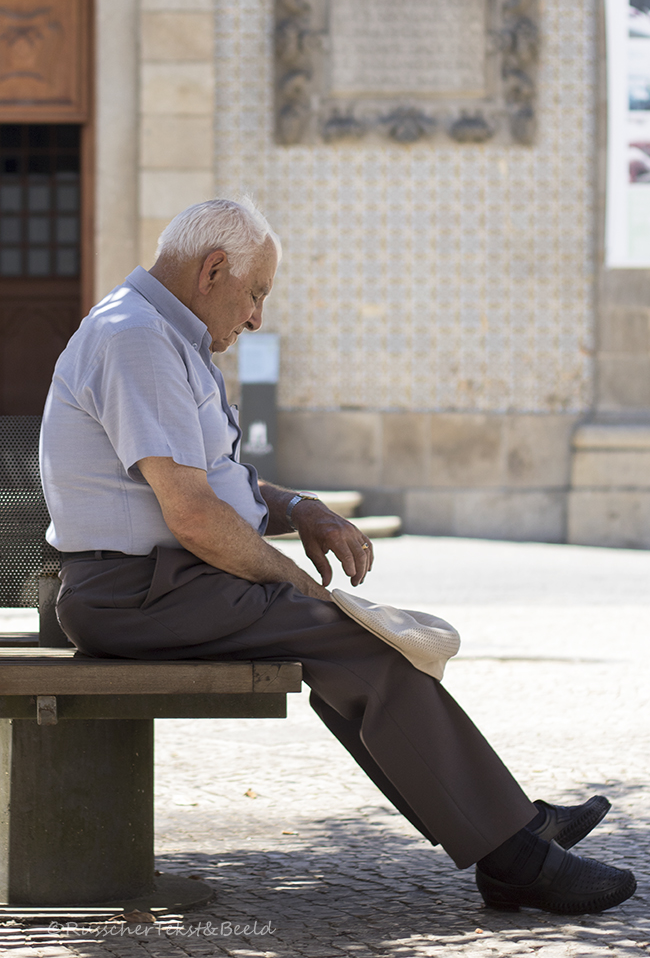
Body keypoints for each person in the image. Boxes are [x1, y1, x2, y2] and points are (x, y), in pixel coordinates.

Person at [39, 198, 636, 915]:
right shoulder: (135, 337)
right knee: (355, 636)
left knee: (352, 651)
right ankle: (514, 850)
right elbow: (193, 514)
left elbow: (208, 483)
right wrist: (295, 582)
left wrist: (300, 508)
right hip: (134, 592)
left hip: (153, 585)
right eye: (256, 293)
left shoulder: (156, 334)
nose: (257, 316)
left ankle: (511, 830)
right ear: (214, 270)